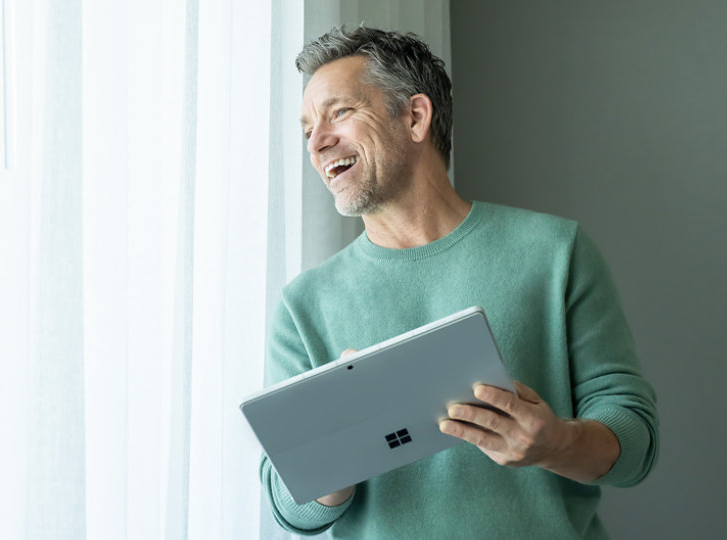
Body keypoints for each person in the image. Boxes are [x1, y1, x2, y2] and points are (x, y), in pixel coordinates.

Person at [260, 25, 658, 539]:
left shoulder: (555, 252)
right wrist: (330, 464)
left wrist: (556, 442)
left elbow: (636, 444)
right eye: (307, 128)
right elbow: (288, 509)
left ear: (415, 116)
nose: (317, 142)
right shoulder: (303, 306)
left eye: (340, 112)